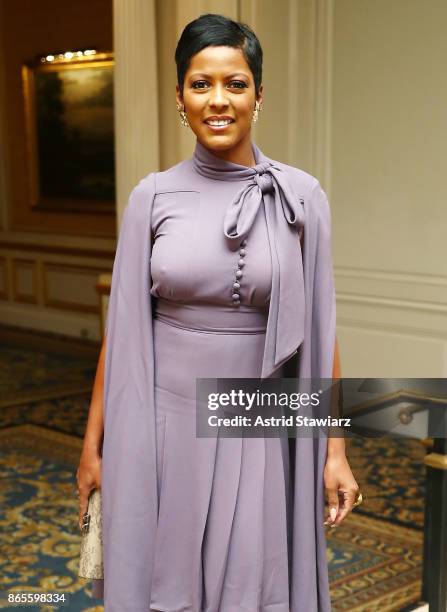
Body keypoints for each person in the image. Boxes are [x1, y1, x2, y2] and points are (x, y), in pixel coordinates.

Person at [76, 13, 360, 612]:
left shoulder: (301, 195)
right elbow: (123, 331)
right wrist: (93, 445)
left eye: (235, 83)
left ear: (260, 93)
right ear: (180, 97)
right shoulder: (150, 196)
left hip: (257, 416)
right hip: (160, 420)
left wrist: (334, 447)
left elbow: (319, 329)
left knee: (251, 582)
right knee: (163, 577)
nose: (218, 100)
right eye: (200, 84)